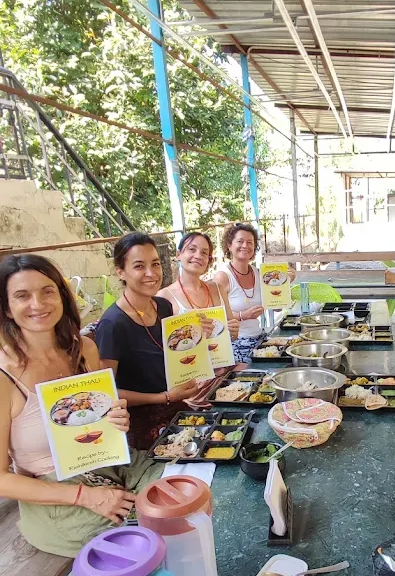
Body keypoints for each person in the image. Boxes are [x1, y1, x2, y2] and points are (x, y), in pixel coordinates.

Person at [0, 253, 164, 557]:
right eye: (22, 296)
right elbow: (2, 480)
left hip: (112, 463)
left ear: (62, 297)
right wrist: (85, 496)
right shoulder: (4, 376)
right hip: (57, 494)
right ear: (8, 309)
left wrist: (116, 419)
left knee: (187, 497)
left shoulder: (84, 349)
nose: (38, 304)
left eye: (47, 291)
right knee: (144, 548)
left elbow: (99, 416)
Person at [95, 232, 210, 450]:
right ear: (121, 271)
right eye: (139, 266)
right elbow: (107, 393)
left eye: (155, 264)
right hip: (139, 423)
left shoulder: (162, 306)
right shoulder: (112, 324)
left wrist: (199, 332)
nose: (151, 273)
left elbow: (171, 354)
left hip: (175, 408)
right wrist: (164, 397)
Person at [158, 230, 239, 340]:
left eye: (204, 253)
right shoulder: (163, 297)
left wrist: (234, 332)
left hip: (222, 356)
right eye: (192, 249)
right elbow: (163, 345)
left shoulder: (218, 290)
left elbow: (231, 337)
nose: (198, 256)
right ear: (178, 254)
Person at [213, 221, 266, 364]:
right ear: (229, 245)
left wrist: (284, 284)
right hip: (236, 344)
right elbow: (216, 318)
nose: (245, 246)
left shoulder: (259, 273)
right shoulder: (223, 277)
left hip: (260, 338)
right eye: (240, 241)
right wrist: (243, 315)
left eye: (250, 242)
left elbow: (278, 307)